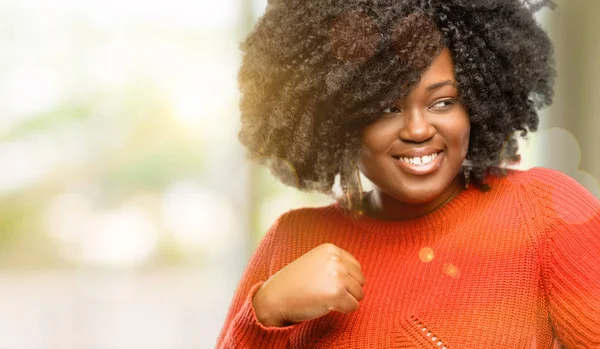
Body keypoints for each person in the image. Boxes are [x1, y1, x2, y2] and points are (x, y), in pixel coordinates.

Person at [216, 0, 600, 347]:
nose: (418, 130)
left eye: (443, 102)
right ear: (338, 119)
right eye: (387, 108)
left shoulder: (544, 211)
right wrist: (266, 311)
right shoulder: (292, 241)